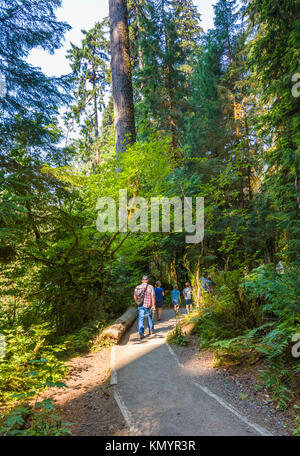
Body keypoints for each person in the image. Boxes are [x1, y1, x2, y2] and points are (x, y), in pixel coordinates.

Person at [134, 275, 156, 339]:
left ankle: (141, 333)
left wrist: (137, 302)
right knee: (149, 317)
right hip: (148, 305)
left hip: (140, 305)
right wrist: (153, 305)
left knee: (141, 319)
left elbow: (135, 296)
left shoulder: (137, 287)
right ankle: (151, 330)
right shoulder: (150, 287)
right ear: (147, 280)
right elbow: (153, 296)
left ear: (142, 281)